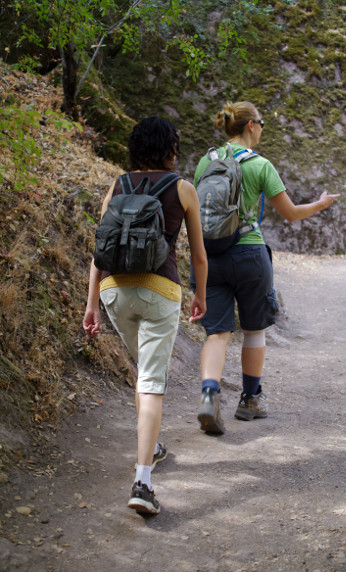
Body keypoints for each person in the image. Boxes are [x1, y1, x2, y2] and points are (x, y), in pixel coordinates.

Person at [83, 116, 208, 514]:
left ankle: (151, 447)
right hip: (159, 292)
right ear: (170, 148)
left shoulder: (117, 185)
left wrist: (90, 305)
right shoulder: (183, 189)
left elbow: (100, 249)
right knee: (152, 380)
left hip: (114, 292)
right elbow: (200, 256)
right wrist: (200, 296)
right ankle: (142, 481)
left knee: (143, 371)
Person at [192, 101, 340, 435]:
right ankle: (250, 399)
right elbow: (289, 213)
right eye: (261, 123)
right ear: (250, 127)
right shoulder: (260, 165)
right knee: (254, 329)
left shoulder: (206, 161)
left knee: (217, 332)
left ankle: (209, 394)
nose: (261, 128)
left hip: (210, 255)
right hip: (248, 254)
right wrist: (320, 203)